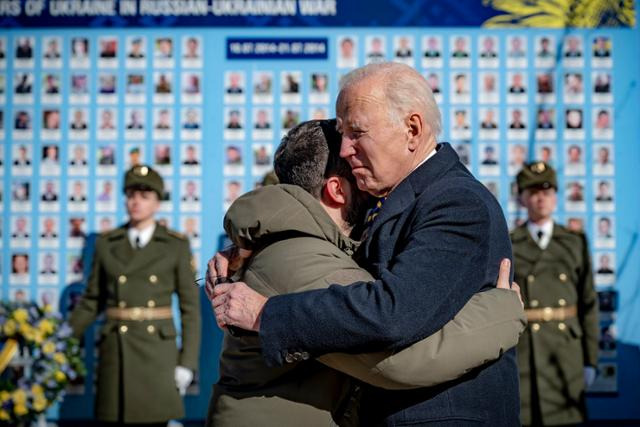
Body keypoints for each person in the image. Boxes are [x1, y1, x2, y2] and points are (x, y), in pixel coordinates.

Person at [209, 62, 520, 425]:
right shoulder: (392, 196)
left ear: (412, 129)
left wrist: (267, 314)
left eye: (357, 132)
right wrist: (248, 251)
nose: (343, 150)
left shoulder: (454, 201)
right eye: (342, 134)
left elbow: (393, 313)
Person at [69, 165, 201, 425]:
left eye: (145, 195)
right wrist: (60, 339)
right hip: (116, 351)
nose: (136, 201)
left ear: (157, 202)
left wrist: (186, 363)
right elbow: (91, 301)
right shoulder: (107, 244)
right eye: (131, 194)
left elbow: (190, 309)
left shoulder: (175, 245)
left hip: (157, 354)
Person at [511, 162, 599, 426]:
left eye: (547, 192)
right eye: (534, 191)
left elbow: (589, 303)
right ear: (522, 198)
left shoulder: (574, 242)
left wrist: (590, 361)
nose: (541, 198)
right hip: (526, 352)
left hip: (565, 352)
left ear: (556, 196)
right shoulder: (510, 242)